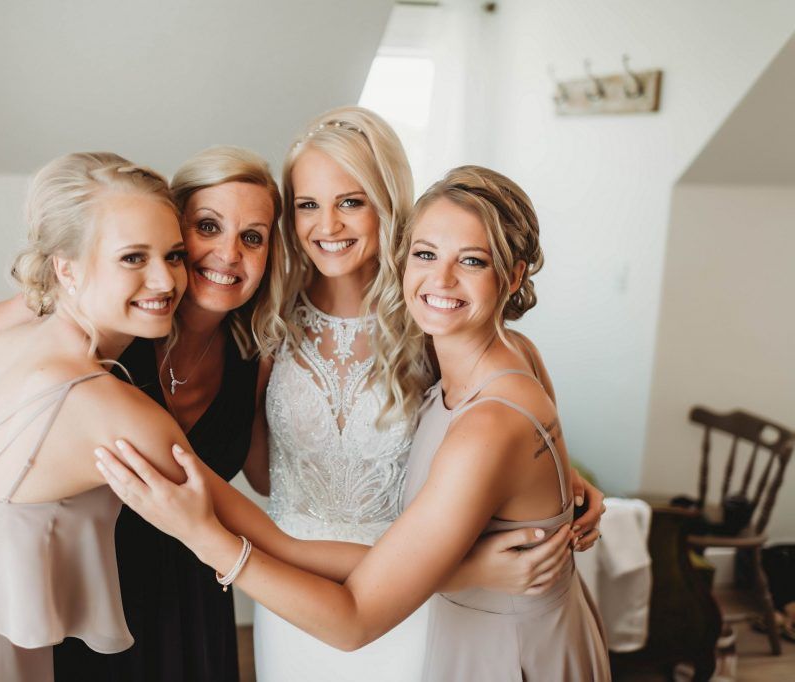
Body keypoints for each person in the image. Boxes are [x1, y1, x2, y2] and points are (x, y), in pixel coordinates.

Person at [0, 152, 364, 681]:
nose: (163, 280)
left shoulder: (24, 350)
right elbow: (281, 547)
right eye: (134, 257)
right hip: (7, 633)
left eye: (171, 256)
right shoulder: (106, 394)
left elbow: (263, 476)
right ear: (65, 270)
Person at [96, 164, 612, 682]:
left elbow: (356, 620)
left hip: (488, 643)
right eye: (427, 255)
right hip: (383, 595)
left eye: (471, 261)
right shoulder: (484, 361)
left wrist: (202, 532)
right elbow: (277, 507)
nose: (442, 279)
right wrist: (550, 488)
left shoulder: (487, 402)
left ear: (514, 275)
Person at [244, 106, 604, 681]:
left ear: (387, 203)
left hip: (412, 597)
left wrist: (575, 490)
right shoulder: (267, 319)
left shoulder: (433, 319)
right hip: (292, 597)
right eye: (308, 204)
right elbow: (263, 473)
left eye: (351, 201)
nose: (328, 225)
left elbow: (520, 441)